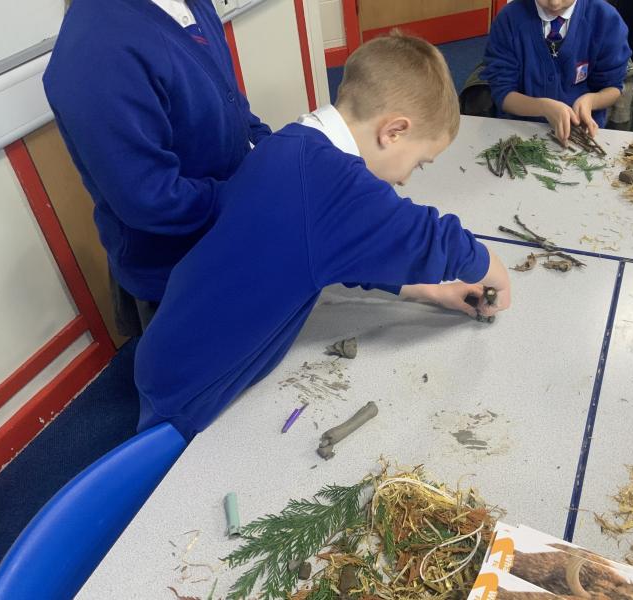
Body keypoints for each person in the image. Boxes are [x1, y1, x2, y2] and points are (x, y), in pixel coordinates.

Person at [134, 32, 513, 440]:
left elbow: (343, 247)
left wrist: (431, 292)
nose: (406, 179)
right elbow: (430, 238)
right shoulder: (335, 183)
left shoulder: (291, 143)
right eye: (420, 163)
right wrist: (494, 272)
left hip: (171, 348)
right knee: (168, 466)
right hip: (194, 386)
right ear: (394, 132)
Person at [43, 0, 272, 336]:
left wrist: (271, 152)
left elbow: (231, 104)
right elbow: (149, 197)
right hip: (177, 274)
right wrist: (251, 195)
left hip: (231, 234)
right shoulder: (98, 49)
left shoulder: (193, 6)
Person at [482, 0, 630, 144]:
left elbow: (613, 88)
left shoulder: (605, 19)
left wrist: (591, 101)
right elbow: (503, 93)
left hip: (581, 135)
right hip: (520, 133)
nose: (555, 3)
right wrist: (542, 107)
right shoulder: (509, 19)